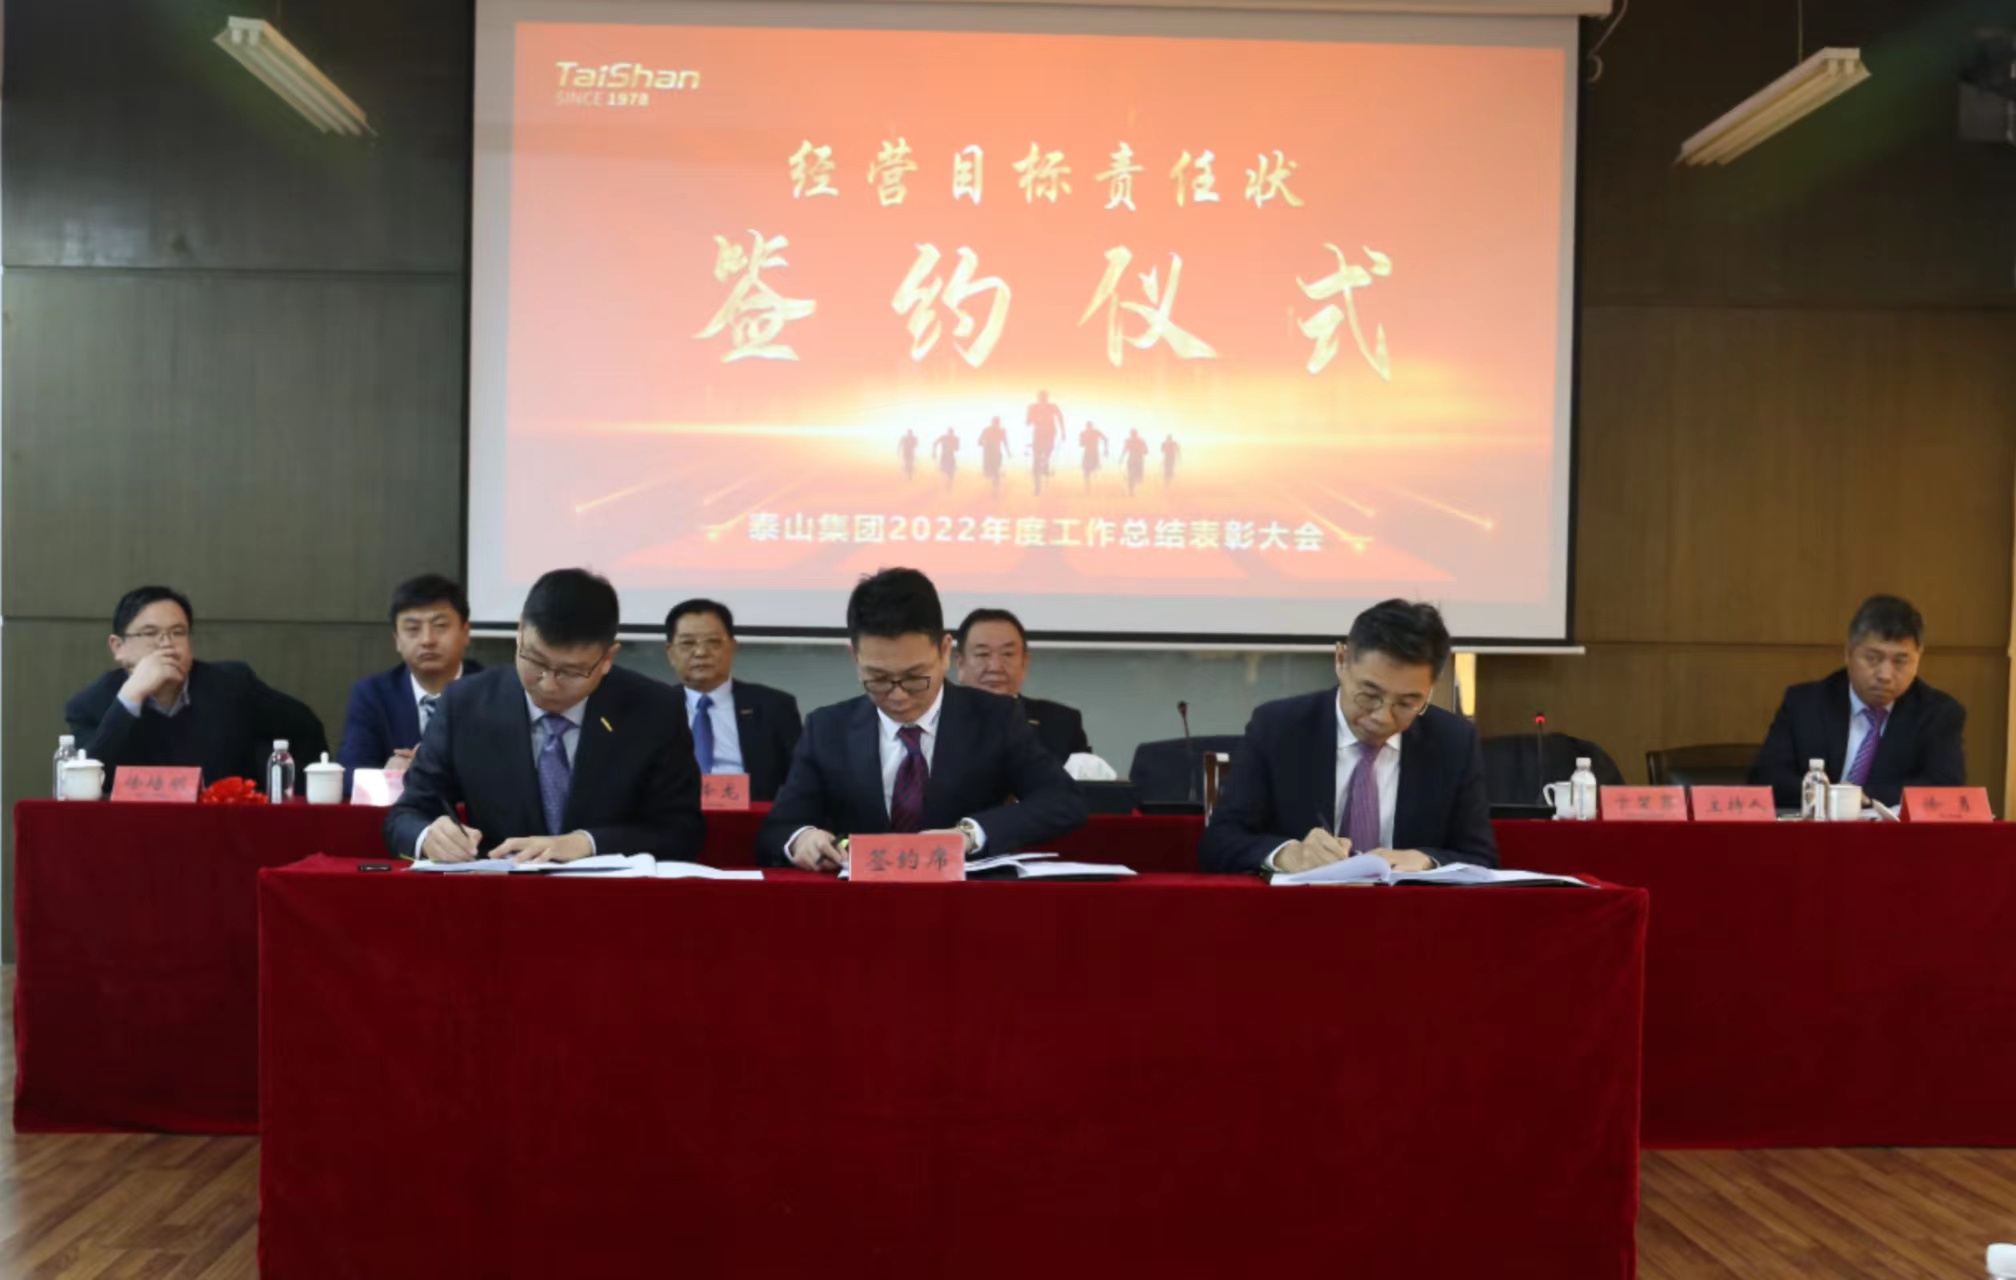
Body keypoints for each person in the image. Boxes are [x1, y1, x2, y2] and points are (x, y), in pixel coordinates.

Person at [759, 568, 1088, 871]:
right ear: (855, 658)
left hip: (966, 899)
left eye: (915, 677)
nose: (898, 695)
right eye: (879, 678)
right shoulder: (828, 728)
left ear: (945, 652)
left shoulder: (995, 719)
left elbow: (1062, 801)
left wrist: (970, 835)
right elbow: (779, 828)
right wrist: (801, 839)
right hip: (861, 901)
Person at [385, 568, 703, 863]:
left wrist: (587, 843)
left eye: (571, 671)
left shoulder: (655, 710)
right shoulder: (465, 704)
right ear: (520, 631)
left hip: (610, 898)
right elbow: (406, 815)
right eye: (535, 661)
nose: (548, 684)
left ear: (607, 658)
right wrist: (429, 836)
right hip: (501, 895)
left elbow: (682, 832)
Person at [1200, 599, 1497, 874]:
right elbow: (1219, 843)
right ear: (1341, 660)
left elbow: (1480, 858)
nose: (1383, 717)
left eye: (1407, 703)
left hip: (1407, 911)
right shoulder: (1278, 728)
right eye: (1369, 695)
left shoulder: (1453, 742)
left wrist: (1426, 860)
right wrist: (1286, 855)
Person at [65, 585, 328, 793]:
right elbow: (85, 785)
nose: (166, 644)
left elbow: (305, 727)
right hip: (133, 832)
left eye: (178, 632)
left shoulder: (232, 686)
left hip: (225, 829)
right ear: (118, 647)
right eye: (150, 633)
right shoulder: (91, 704)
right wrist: (129, 698)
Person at [1749, 594, 1966, 808]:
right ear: (1848, 653)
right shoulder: (1805, 705)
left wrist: (1864, 797)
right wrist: (1831, 797)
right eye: (1873, 659)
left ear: (1918, 658)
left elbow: (1945, 787)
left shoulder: (1938, 713)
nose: (1885, 675)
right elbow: (1766, 777)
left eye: (1900, 662)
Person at [337, 574, 482, 786]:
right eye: (413, 629)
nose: (427, 640)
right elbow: (350, 774)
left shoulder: (496, 694)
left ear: (465, 632)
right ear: (397, 640)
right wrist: (387, 775)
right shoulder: (373, 695)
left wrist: (431, 772)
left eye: (440, 626)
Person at [664, 597, 803, 803]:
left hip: (752, 818)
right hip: (674, 817)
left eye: (713, 642)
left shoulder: (774, 707)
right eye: (687, 643)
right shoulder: (651, 708)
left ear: (732, 646)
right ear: (670, 653)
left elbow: (800, 781)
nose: (701, 652)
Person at [952, 607, 1091, 764]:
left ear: (1024, 662)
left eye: (1008, 654)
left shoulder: (1062, 723)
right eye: (982, 654)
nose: (995, 667)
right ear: (960, 663)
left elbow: (1086, 777)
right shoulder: (937, 721)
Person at [1026, 389, 1063, 494]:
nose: (1043, 399)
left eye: (1044, 397)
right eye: (1041, 397)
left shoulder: (1052, 407)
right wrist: (1033, 418)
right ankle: (1037, 484)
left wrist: (1063, 432)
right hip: (1039, 434)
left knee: (1048, 450)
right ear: (1039, 398)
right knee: (1036, 456)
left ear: (1047, 398)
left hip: (1049, 433)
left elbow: (1060, 417)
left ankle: (1045, 463)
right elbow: (1028, 422)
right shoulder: (1033, 407)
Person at [979, 416, 1010, 498]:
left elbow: (979, 442)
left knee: (993, 472)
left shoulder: (987, 430)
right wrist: (1008, 453)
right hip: (995, 454)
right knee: (995, 472)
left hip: (990, 455)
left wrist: (985, 444)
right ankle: (995, 489)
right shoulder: (1001, 431)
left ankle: (995, 489)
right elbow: (1005, 443)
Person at [1079, 421, 1109, 492]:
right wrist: (1082, 439)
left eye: (1089, 426)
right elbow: (1081, 444)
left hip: (1094, 453)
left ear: (1091, 426)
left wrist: (1106, 449)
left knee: (1092, 468)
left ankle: (1091, 482)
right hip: (1087, 453)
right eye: (1088, 426)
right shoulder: (1084, 433)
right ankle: (1088, 487)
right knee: (1086, 471)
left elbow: (1105, 439)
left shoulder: (1096, 432)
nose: (1089, 428)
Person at [1121, 428, 1150, 497]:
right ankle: (1132, 488)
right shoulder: (1140, 441)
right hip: (1137, 460)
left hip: (1133, 460)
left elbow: (1125, 450)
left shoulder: (1130, 441)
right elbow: (1146, 451)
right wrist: (1142, 452)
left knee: (1132, 475)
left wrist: (1121, 458)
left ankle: (1131, 488)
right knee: (1136, 476)